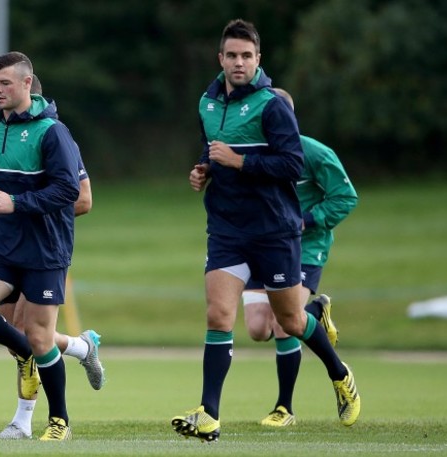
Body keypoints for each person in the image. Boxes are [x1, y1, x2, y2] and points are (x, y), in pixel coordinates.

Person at [171, 20, 360, 442]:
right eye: (232, 55)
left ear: (258, 60)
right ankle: (209, 414)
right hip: (226, 229)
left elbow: (292, 164)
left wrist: (240, 162)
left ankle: (338, 371)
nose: (239, 63)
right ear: (220, 59)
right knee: (219, 315)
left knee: (290, 321)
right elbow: (213, 146)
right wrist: (205, 169)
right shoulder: (207, 102)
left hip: (274, 231)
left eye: (247, 56)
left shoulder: (272, 106)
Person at [0, 52, 83, 441]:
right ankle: (26, 353)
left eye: (6, 83)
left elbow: (70, 190)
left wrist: (18, 203)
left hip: (44, 249)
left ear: (27, 84)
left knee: (42, 337)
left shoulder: (52, 131)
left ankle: (59, 420)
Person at [0, 74, 105, 440]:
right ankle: (82, 346)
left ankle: (25, 421)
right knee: (18, 340)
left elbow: (82, 199)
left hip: (41, 249)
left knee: (30, 334)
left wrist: (27, 208)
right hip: (5, 248)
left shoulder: (54, 134)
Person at [243, 87, 358, 427]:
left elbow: (345, 198)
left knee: (283, 322)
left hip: (305, 247)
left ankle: (284, 408)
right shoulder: (255, 156)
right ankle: (315, 311)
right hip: (263, 245)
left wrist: (306, 220)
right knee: (257, 329)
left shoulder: (315, 153)